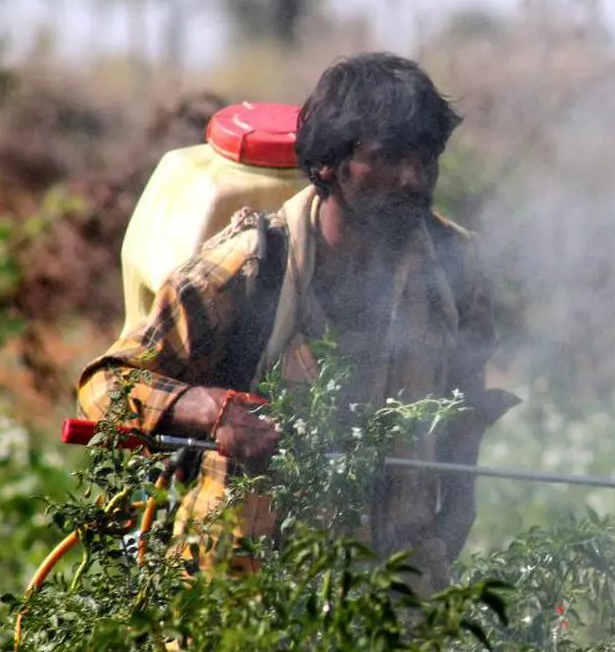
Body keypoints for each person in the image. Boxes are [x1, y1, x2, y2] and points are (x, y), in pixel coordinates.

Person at [75, 52, 520, 593]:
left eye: (426, 159)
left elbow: (458, 412)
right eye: (389, 158)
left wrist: (457, 508)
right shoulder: (248, 266)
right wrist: (216, 410)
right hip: (243, 599)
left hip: (393, 597)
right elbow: (104, 386)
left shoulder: (455, 267)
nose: (412, 178)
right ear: (328, 163)